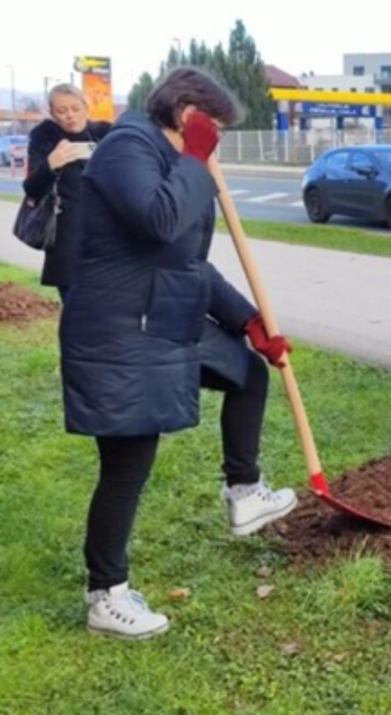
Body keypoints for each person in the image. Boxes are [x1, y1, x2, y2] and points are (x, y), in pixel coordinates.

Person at [60, 67, 298, 639]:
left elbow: (188, 260)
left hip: (165, 318)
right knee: (127, 466)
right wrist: (195, 159)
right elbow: (163, 222)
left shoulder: (175, 159)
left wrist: (247, 319)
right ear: (187, 112)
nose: (214, 139)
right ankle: (106, 595)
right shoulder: (127, 148)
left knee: (247, 373)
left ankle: (244, 493)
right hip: (119, 332)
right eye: (211, 126)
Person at [22, 84, 113, 301]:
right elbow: (31, 189)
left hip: (108, 240)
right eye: (62, 111)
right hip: (68, 242)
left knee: (111, 316)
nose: (70, 116)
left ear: (85, 107)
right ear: (52, 113)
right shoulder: (45, 138)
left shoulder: (105, 134)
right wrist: (51, 165)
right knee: (76, 316)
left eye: (75, 108)